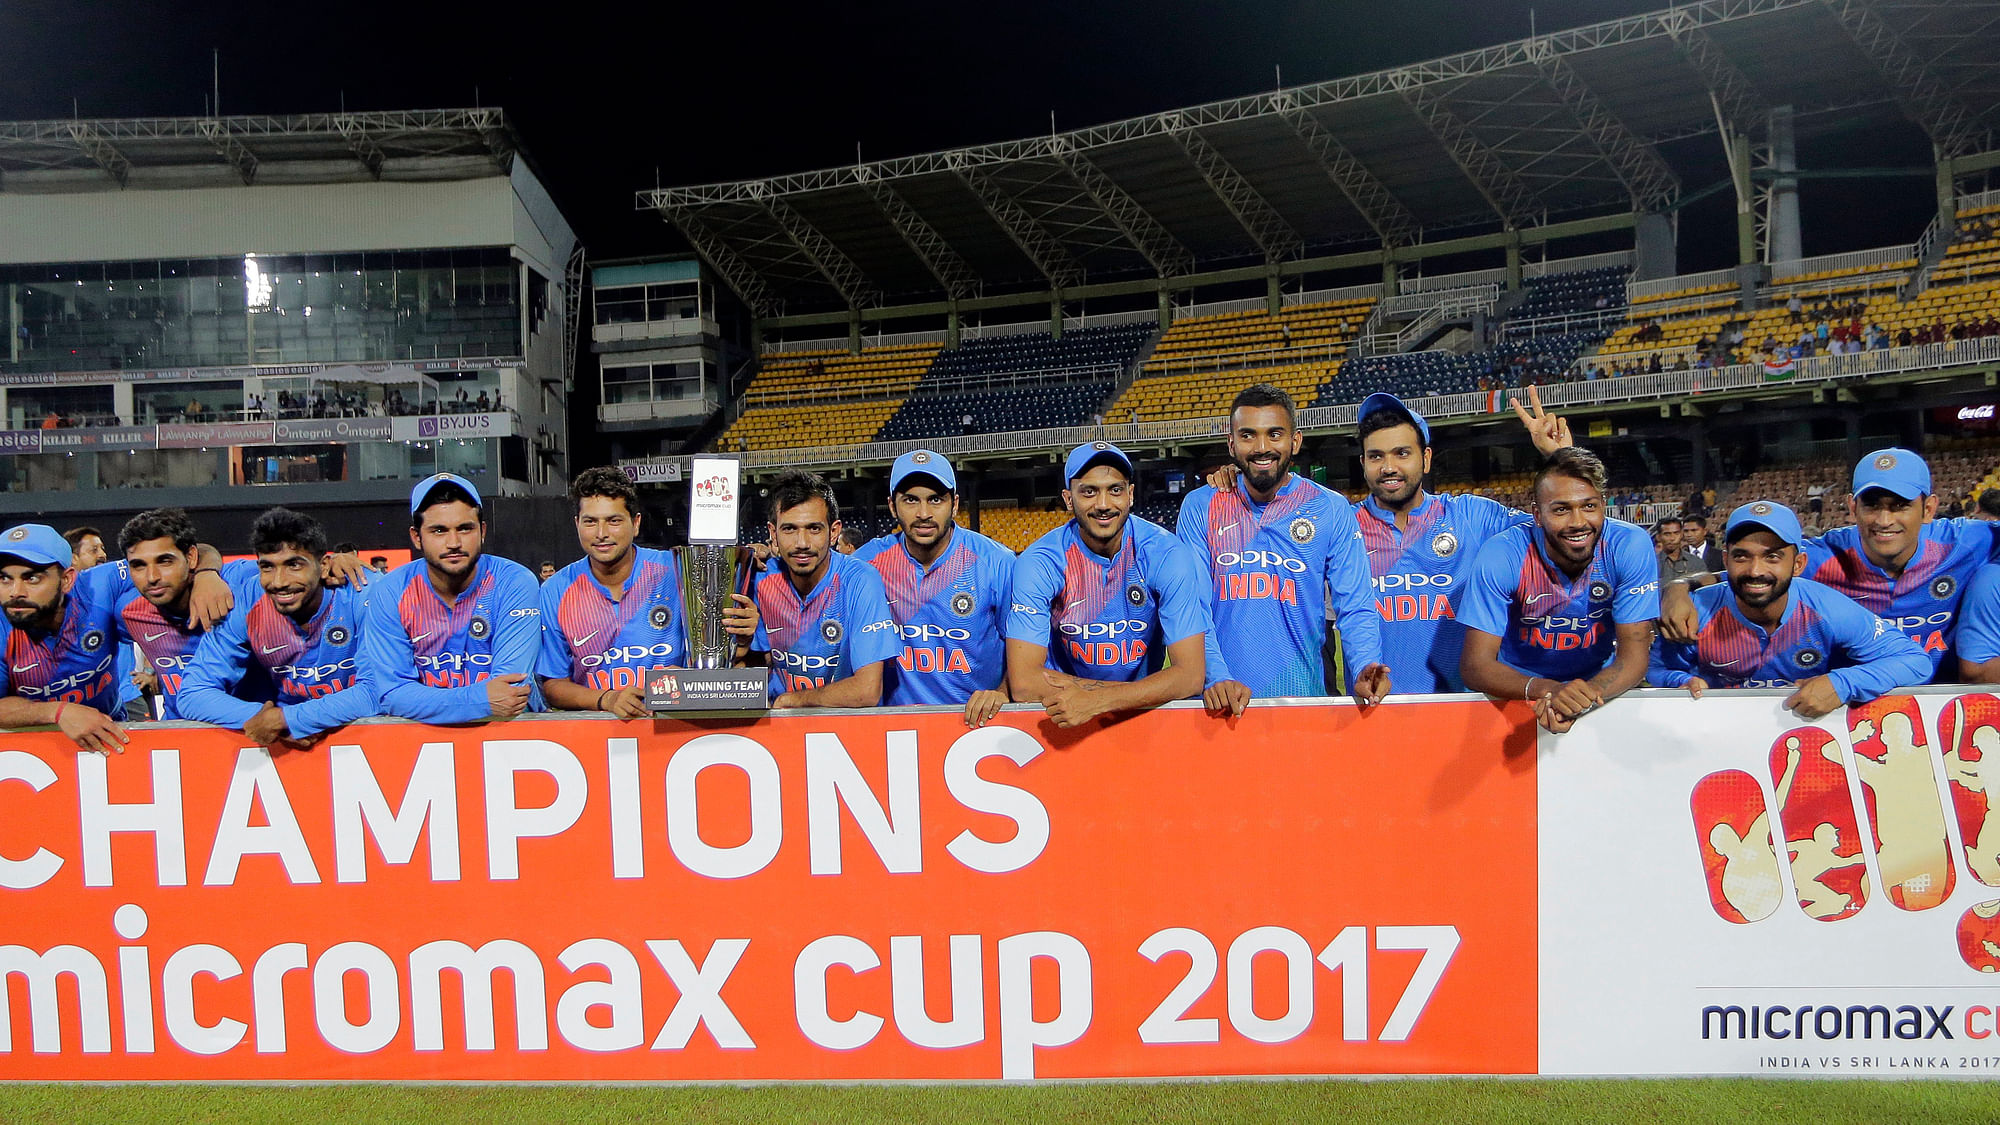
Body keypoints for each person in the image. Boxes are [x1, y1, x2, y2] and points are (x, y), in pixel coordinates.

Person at [1661, 447, 2000, 680]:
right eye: (1871, 505)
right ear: (1852, 508)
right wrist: (1680, 587)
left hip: (1945, 701)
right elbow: (1751, 573)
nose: (1884, 520)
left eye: (1899, 506)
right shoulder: (1824, 557)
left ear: (1928, 509)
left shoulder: (1968, 541)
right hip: (1852, 707)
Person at [1176, 383, 1383, 707]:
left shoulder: (1329, 508)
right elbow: (1193, 607)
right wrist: (1216, 677)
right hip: (1222, 706)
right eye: (1248, 435)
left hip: (1303, 704)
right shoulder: (1201, 506)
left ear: (1294, 441)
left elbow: (1356, 605)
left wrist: (1363, 665)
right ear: (1231, 444)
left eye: (1274, 434)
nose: (1262, 447)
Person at [1651, 502, 1930, 717]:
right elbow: (1655, 668)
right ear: (1726, 560)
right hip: (1718, 733)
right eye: (1742, 556)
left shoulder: (1828, 609)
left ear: (1798, 565)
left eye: (1772, 557)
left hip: (1803, 738)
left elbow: (1915, 662)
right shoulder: (1694, 610)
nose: (1755, 571)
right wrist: (1681, 681)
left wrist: (1843, 683)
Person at [1005, 441, 1213, 728]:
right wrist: (1101, 700)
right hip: (1061, 717)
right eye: (1089, 492)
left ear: (1130, 495)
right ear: (1068, 499)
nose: (1103, 505)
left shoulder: (1165, 553)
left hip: (1141, 718)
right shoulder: (1041, 561)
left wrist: (1098, 702)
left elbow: (1190, 675)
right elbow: (1026, 683)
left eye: (1114, 490)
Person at [1458, 447, 1660, 733]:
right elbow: (1475, 666)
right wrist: (1547, 690)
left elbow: (1634, 656)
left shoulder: (1629, 545)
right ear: (1537, 515)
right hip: (1514, 688)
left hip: (1597, 687)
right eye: (1561, 509)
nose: (1578, 522)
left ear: (1604, 504)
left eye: (1589, 506)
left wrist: (1580, 697)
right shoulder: (1503, 554)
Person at [177, 508, 375, 747]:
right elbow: (193, 693)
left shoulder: (363, 591)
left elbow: (377, 689)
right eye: (267, 567)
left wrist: (290, 719)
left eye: (294, 565)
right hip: (288, 746)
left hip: (371, 738)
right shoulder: (249, 600)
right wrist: (259, 718)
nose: (279, 582)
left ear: (324, 566)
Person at [360, 473, 542, 723]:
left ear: (482, 531)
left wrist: (425, 703)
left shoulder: (514, 582)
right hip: (426, 744)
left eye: (465, 528)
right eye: (439, 531)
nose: (453, 542)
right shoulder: (391, 591)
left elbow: (510, 694)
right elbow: (393, 694)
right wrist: (480, 700)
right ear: (416, 537)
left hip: (509, 740)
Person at [852, 450, 1015, 727]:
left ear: (954, 505)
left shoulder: (996, 562)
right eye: (911, 500)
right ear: (892, 506)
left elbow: (1025, 645)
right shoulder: (867, 564)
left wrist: (1003, 692)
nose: (924, 513)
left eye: (935, 500)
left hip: (975, 723)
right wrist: (760, 561)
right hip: (894, 727)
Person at [722, 470, 897, 708]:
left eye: (814, 528)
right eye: (789, 529)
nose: (802, 543)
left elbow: (867, 691)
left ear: (834, 531)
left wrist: (793, 701)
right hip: (777, 730)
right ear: (773, 533)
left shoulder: (859, 580)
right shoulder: (760, 578)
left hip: (845, 726)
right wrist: (742, 647)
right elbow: (751, 673)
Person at [539, 467, 687, 719]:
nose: (601, 534)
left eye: (614, 520)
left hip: (672, 727)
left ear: (636, 523)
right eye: (590, 521)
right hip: (596, 737)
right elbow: (553, 684)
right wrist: (607, 699)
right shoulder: (556, 589)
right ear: (577, 524)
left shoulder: (676, 571)